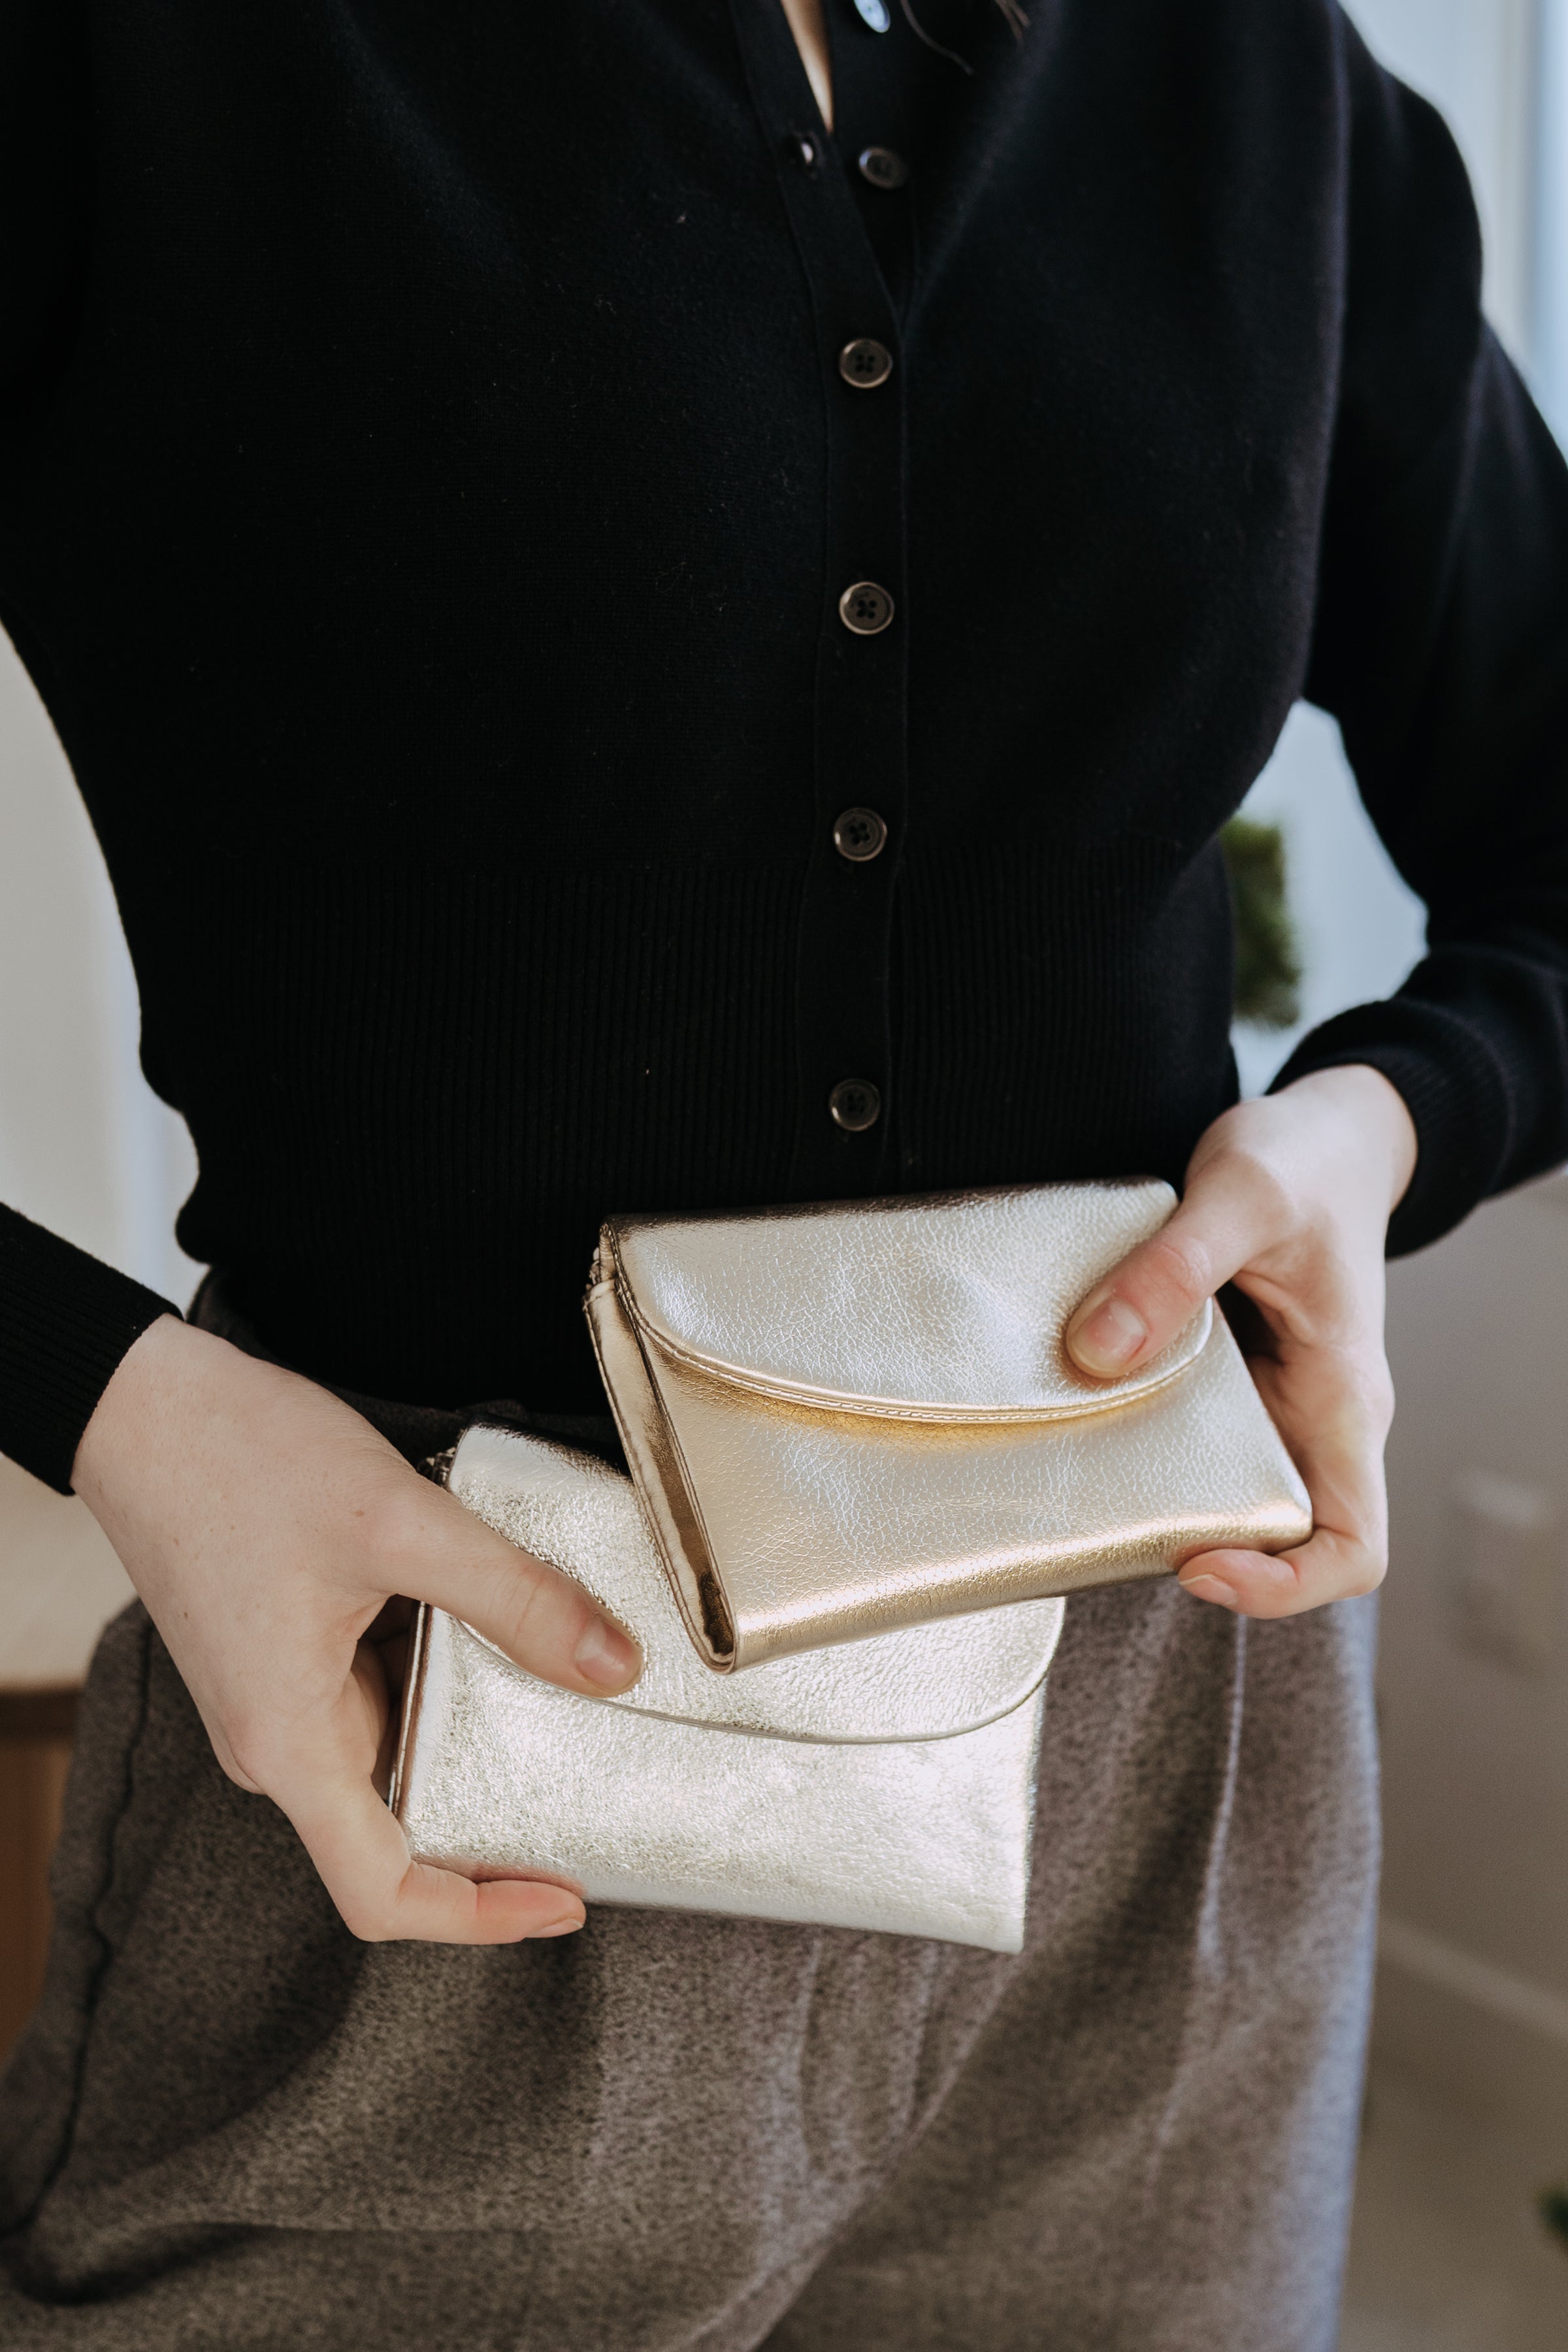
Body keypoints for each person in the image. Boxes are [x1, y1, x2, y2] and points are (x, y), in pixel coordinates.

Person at [1, 0, 1565, 2343]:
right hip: (431, 1706)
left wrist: (1376, 1124)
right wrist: (114, 1400)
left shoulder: (1267, 91)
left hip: (1158, 1764)